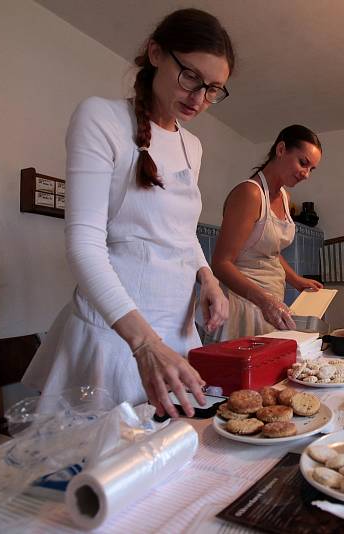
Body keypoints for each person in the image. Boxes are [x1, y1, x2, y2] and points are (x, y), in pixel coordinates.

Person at [23, 9, 234, 419]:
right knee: (105, 466)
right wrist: (143, 344)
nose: (198, 97)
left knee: (179, 463)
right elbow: (84, 246)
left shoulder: (194, 146)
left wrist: (206, 277)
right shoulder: (100, 118)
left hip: (175, 332)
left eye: (213, 89)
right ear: (156, 53)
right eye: (191, 76)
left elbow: (181, 231)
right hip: (120, 335)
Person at [208, 125, 323, 341]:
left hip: (268, 304)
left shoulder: (285, 197)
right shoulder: (249, 193)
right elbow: (221, 264)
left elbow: (268, 249)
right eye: (303, 163)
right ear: (281, 149)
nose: (306, 174)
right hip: (241, 306)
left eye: (311, 169)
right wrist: (264, 301)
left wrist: (296, 280)